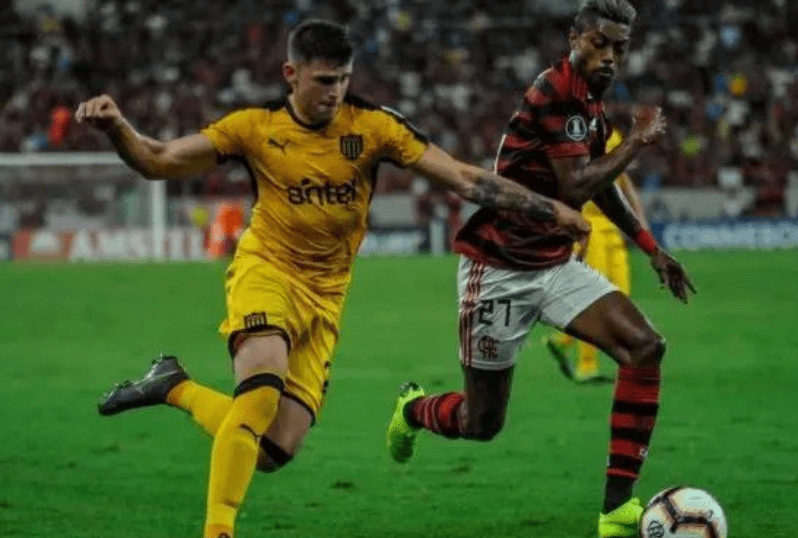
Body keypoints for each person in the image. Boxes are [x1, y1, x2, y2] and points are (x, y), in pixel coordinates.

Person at [77, 19, 589, 538]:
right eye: (324, 80)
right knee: (258, 395)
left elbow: (462, 176)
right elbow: (158, 160)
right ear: (290, 74)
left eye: (343, 78)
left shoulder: (373, 128)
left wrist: (550, 210)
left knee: (274, 448)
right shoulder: (254, 127)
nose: (336, 91)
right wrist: (119, 127)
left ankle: (174, 387)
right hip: (267, 271)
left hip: (326, 297)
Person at [384, 2, 696, 538]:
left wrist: (651, 249)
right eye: (600, 42)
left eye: (620, 48)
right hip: (499, 270)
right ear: (574, 36)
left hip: (553, 265)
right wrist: (638, 144)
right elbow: (575, 185)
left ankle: (616, 508)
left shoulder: (591, 105)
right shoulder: (555, 92)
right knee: (482, 424)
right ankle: (415, 410)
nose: (610, 56)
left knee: (645, 346)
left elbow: (596, 186)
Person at [544, 129, 650, 383]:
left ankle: (562, 341)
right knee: (593, 299)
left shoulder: (611, 134)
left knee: (622, 295)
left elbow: (624, 180)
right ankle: (586, 365)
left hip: (612, 225)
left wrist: (640, 220)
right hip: (588, 225)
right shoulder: (570, 132)